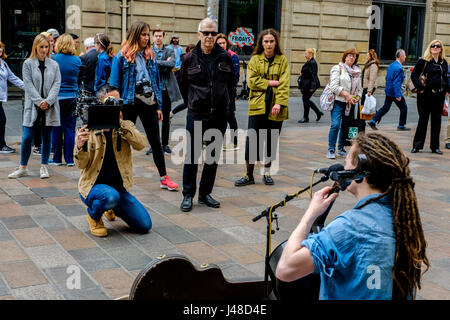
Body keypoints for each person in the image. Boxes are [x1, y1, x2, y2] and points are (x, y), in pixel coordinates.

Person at [276, 133, 430, 300]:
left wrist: (310, 214)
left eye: (347, 161)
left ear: (359, 172)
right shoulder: (404, 218)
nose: (344, 167)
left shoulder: (350, 227)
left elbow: (286, 269)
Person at [110, 21, 179, 191]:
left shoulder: (150, 56)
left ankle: (164, 177)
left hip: (149, 102)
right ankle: (118, 178)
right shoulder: (121, 57)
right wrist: (117, 108)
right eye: (144, 34)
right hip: (128, 103)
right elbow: (114, 85)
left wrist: (158, 106)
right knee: (123, 140)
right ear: (135, 35)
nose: (147, 38)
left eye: (148, 34)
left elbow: (155, 81)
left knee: (155, 140)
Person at [75, 84, 152, 237]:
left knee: (144, 225)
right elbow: (81, 164)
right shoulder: (90, 128)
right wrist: (79, 146)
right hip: (93, 187)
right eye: (110, 101)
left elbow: (141, 144)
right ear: (100, 103)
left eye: (118, 101)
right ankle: (94, 216)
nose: (115, 105)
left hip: (118, 188)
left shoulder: (124, 126)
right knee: (110, 196)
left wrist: (121, 125)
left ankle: (111, 206)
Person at [179, 17, 235, 212]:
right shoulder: (188, 59)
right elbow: (183, 85)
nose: (209, 37)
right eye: (206, 33)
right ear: (199, 34)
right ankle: (188, 195)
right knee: (192, 156)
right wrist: (192, 102)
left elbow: (231, 85)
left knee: (212, 157)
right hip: (196, 113)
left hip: (219, 114)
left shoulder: (226, 57)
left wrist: (229, 110)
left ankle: (204, 194)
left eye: (213, 33)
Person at [234, 28, 290, 187]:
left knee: (271, 140)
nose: (269, 44)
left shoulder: (282, 60)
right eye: (266, 41)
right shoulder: (255, 60)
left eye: (272, 41)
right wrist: (271, 82)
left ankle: (267, 173)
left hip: (275, 107)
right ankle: (249, 175)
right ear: (261, 43)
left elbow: (285, 84)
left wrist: (279, 102)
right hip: (258, 105)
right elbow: (251, 82)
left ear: (276, 43)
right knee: (252, 140)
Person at [8, 34, 61, 179]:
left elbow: (57, 84)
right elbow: (28, 85)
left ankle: (44, 166)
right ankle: (22, 167)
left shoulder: (54, 64)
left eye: (46, 47)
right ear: (35, 47)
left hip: (49, 107)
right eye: (41, 47)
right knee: (27, 137)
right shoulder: (28, 64)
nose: (44, 50)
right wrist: (39, 102)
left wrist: (48, 101)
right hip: (33, 106)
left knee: (46, 137)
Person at [410, 40, 449, 155]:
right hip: (425, 95)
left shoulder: (444, 62)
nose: (435, 47)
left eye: (438, 46)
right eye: (433, 46)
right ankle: (417, 146)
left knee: (436, 121)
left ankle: (435, 147)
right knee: (423, 120)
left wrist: (447, 89)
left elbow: (446, 77)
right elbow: (414, 75)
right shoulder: (423, 61)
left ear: (441, 49)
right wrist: (420, 87)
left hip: (439, 95)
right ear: (430, 47)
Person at [149, 28, 182, 155]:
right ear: (153, 37)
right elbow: (148, 65)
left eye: (160, 36)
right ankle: (154, 145)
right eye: (156, 36)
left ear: (163, 37)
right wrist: (163, 64)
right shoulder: (149, 50)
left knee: (166, 119)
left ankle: (165, 145)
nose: (158, 38)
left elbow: (172, 64)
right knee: (153, 119)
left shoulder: (169, 50)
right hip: (153, 91)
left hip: (166, 89)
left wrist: (156, 63)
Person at [50, 34, 81, 167]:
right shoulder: (77, 60)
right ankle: (69, 159)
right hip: (72, 97)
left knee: (56, 128)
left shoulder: (53, 59)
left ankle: (57, 159)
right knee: (69, 128)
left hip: (57, 97)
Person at [326, 48, 362, 159]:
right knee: (335, 125)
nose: (352, 58)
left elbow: (360, 89)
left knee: (345, 126)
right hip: (338, 102)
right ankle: (331, 149)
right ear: (345, 57)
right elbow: (334, 87)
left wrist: (356, 97)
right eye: (350, 55)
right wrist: (347, 95)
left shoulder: (357, 71)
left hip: (350, 104)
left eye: (354, 56)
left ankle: (341, 148)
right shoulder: (337, 68)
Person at [368, 49, 411, 131]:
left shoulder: (391, 65)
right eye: (405, 55)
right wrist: (398, 95)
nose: (405, 56)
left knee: (386, 107)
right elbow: (396, 83)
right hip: (395, 92)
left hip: (389, 91)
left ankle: (373, 121)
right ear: (401, 56)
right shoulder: (399, 68)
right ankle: (401, 125)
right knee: (404, 108)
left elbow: (387, 78)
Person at [215, 33, 240, 151]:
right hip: (217, 92)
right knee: (218, 117)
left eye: (223, 43)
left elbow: (235, 77)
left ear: (227, 44)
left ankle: (234, 142)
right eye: (219, 43)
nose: (221, 45)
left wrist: (231, 93)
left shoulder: (232, 56)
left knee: (230, 116)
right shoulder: (215, 55)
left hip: (229, 92)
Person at [0, 40, 24, 154]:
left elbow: (12, 78)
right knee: (2, 120)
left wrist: (27, 87)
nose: (0, 50)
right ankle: (1, 145)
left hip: (0, 98)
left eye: (1, 48)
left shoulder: (3, 63)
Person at [298, 48, 323, 123]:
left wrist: (312, 87)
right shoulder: (308, 62)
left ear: (311, 54)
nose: (305, 55)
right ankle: (317, 113)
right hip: (306, 84)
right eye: (305, 53)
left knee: (305, 99)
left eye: (306, 53)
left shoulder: (312, 63)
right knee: (306, 99)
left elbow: (314, 75)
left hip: (310, 85)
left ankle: (306, 117)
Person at [360, 49, 379, 125]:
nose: (366, 57)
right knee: (365, 103)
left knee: (364, 103)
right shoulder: (368, 64)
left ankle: (362, 120)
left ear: (371, 56)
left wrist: (369, 90)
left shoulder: (373, 65)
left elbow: (372, 79)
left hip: (369, 87)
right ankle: (364, 119)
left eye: (367, 55)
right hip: (366, 86)